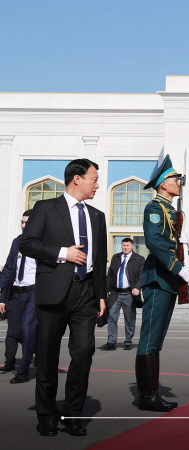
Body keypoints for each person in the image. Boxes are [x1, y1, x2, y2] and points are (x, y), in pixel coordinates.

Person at [19, 158, 108, 437]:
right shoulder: (45, 208)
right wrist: (63, 253)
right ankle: (46, 416)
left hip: (86, 294)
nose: (97, 184)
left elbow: (100, 258)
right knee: (47, 356)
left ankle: (72, 414)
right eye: (94, 178)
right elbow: (28, 243)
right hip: (54, 292)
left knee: (83, 354)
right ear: (77, 179)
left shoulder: (97, 216)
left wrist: (101, 295)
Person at [135, 155, 189, 412]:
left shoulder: (171, 209)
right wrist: (177, 267)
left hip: (167, 279)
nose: (178, 182)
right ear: (162, 183)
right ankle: (146, 396)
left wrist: (182, 244)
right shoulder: (155, 208)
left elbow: (169, 241)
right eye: (174, 179)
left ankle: (153, 392)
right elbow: (155, 242)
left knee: (157, 339)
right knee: (149, 339)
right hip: (158, 277)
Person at [0, 210, 38, 383]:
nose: (23, 226)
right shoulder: (17, 242)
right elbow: (9, 267)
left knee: (28, 329)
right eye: (22, 222)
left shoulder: (42, 242)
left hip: (34, 292)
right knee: (14, 331)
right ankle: (40, 350)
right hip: (16, 292)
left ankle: (22, 371)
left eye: (27, 223)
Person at [101, 237, 145, 351]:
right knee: (111, 316)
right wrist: (105, 290)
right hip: (115, 293)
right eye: (123, 245)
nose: (125, 247)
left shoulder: (139, 259)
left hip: (129, 294)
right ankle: (111, 342)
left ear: (132, 246)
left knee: (130, 318)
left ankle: (128, 341)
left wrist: (137, 287)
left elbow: (141, 275)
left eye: (127, 245)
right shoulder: (116, 258)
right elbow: (110, 275)